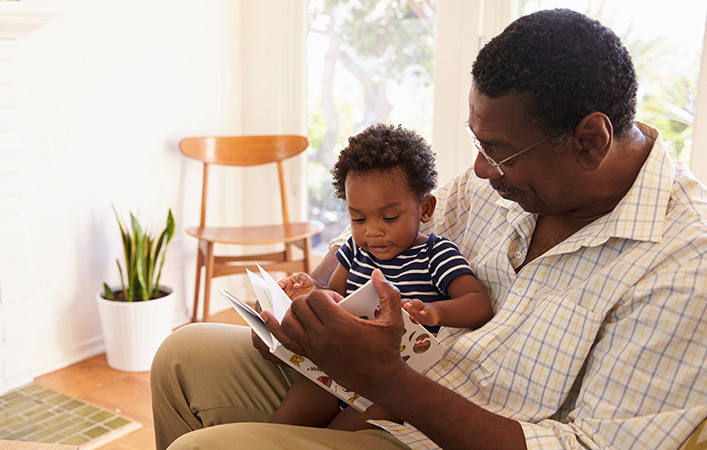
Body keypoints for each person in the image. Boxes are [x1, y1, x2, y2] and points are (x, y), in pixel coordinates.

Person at [151, 8, 707, 450]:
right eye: (478, 142)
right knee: (183, 355)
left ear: (589, 141)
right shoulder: (508, 184)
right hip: (389, 386)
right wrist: (308, 311)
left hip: (439, 428)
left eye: (499, 152)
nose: (483, 170)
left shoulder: (685, 262)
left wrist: (387, 379)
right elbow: (377, 251)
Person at [269, 123, 493, 431]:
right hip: (339, 366)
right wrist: (311, 291)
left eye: (389, 217)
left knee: (340, 437)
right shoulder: (354, 251)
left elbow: (479, 304)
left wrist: (436, 312)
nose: (372, 231)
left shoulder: (436, 255)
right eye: (358, 218)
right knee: (282, 429)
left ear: (425, 208)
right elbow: (335, 295)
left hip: (394, 384)